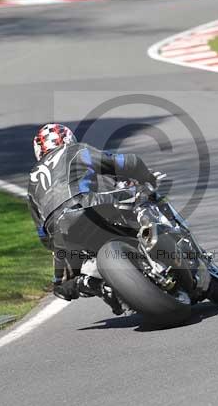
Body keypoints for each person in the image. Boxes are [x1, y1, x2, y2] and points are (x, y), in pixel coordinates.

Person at [26, 123, 159, 313]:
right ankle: (151, 239)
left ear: (38, 150)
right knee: (136, 202)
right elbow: (126, 163)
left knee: (62, 286)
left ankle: (92, 284)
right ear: (68, 139)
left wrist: (58, 248)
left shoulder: (31, 181)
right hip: (90, 206)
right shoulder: (76, 150)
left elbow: (42, 234)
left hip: (60, 232)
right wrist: (148, 179)